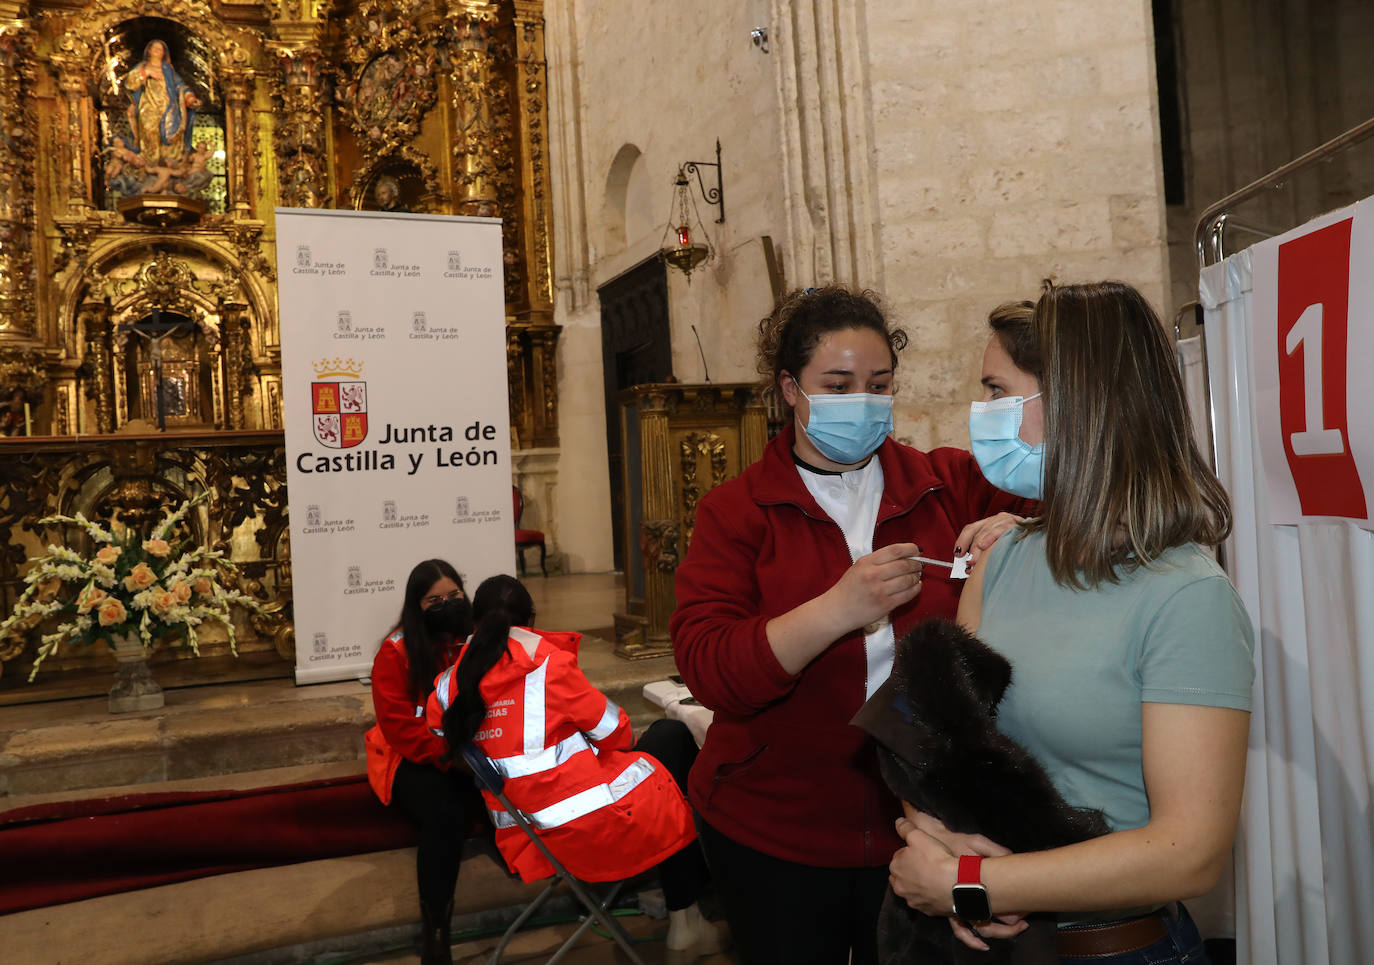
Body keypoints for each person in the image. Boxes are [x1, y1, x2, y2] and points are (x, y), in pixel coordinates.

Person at [888, 282, 1255, 963]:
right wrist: (931, 836)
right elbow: (938, 749)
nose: (982, 414)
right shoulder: (1002, 560)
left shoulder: (1187, 596)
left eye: (998, 392)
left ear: (1078, 403)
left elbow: (1190, 852)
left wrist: (975, 883)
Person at [669, 286, 1034, 965]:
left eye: (879, 385)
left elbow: (1080, 514)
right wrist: (836, 608)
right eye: (837, 385)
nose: (862, 402)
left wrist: (1021, 529)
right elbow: (712, 668)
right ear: (789, 387)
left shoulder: (945, 482)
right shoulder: (737, 510)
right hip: (774, 828)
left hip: (924, 833)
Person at [429, 574, 728, 962]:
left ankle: (684, 906)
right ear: (532, 620)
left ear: (475, 621)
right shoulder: (546, 666)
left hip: (524, 836)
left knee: (659, 761)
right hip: (584, 829)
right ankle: (686, 918)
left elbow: (442, 732)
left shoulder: (448, 684)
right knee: (669, 741)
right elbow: (617, 733)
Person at [365, 559, 476, 965]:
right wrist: (449, 757)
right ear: (417, 606)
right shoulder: (395, 653)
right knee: (446, 814)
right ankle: (435, 929)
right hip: (408, 755)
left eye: (453, 596)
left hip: (467, 752)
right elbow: (399, 728)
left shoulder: (475, 642)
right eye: (434, 600)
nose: (446, 605)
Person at [124, 40, 201, 167]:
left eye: (160, 49)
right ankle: (149, 164)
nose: (157, 51)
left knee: (171, 135)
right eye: (154, 48)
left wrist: (190, 98)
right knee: (149, 129)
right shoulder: (142, 67)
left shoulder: (168, 70)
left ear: (164, 53)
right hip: (149, 106)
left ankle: (168, 165)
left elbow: (179, 86)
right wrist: (146, 73)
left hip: (168, 106)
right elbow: (130, 83)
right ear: (149, 50)